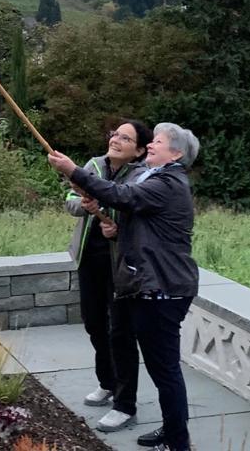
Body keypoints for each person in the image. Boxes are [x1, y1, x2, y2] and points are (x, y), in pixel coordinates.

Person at [49, 122, 200, 451]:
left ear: (175, 153)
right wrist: (115, 231)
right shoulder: (157, 178)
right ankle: (173, 428)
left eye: (157, 142)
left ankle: (178, 442)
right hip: (150, 286)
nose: (151, 146)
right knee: (160, 367)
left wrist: (73, 170)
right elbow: (144, 225)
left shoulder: (168, 183)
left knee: (165, 370)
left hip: (162, 289)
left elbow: (121, 195)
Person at [64, 120, 152, 433]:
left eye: (125, 138)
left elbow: (131, 206)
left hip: (122, 265)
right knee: (94, 324)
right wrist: (86, 207)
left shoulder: (142, 174)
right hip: (90, 258)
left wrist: (112, 220)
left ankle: (125, 404)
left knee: (121, 332)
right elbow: (70, 201)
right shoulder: (93, 166)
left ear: (139, 150)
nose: (115, 139)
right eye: (115, 134)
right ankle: (107, 382)